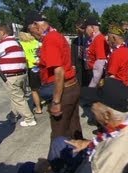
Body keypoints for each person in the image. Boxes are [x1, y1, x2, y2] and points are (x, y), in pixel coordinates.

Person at [17, 78, 128, 173]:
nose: (90, 110)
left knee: (26, 170)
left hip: (90, 169)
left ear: (107, 115)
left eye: (92, 105)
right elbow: (111, 140)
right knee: (59, 142)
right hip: (97, 155)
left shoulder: (112, 157)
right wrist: (89, 143)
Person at [24, 11, 82, 139]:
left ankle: (57, 159)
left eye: (31, 31)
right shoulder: (55, 35)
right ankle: (78, 156)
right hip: (71, 86)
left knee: (59, 132)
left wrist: (56, 102)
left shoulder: (50, 39)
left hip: (63, 91)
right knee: (73, 126)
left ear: (35, 25)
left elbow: (59, 71)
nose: (32, 36)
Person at [0, 23, 37, 127]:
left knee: (18, 98)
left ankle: (29, 119)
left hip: (12, 76)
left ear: (2, 32)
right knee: (16, 96)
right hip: (21, 74)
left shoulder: (4, 44)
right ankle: (13, 115)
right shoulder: (15, 42)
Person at [18, 31, 43, 114]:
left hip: (31, 68)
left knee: (34, 90)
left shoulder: (21, 44)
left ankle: (38, 108)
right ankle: (40, 100)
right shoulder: (37, 42)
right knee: (40, 87)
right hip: (41, 66)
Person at [81, 16, 109, 87]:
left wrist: (93, 84)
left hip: (96, 75)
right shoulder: (92, 38)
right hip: (91, 72)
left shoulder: (99, 39)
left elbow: (100, 63)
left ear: (92, 28)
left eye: (85, 28)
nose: (84, 30)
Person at [71, 20, 87, 87]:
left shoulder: (87, 40)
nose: (77, 30)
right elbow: (72, 53)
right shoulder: (75, 41)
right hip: (78, 64)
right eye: (76, 28)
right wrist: (73, 64)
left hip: (86, 64)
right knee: (78, 82)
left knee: (86, 81)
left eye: (78, 28)